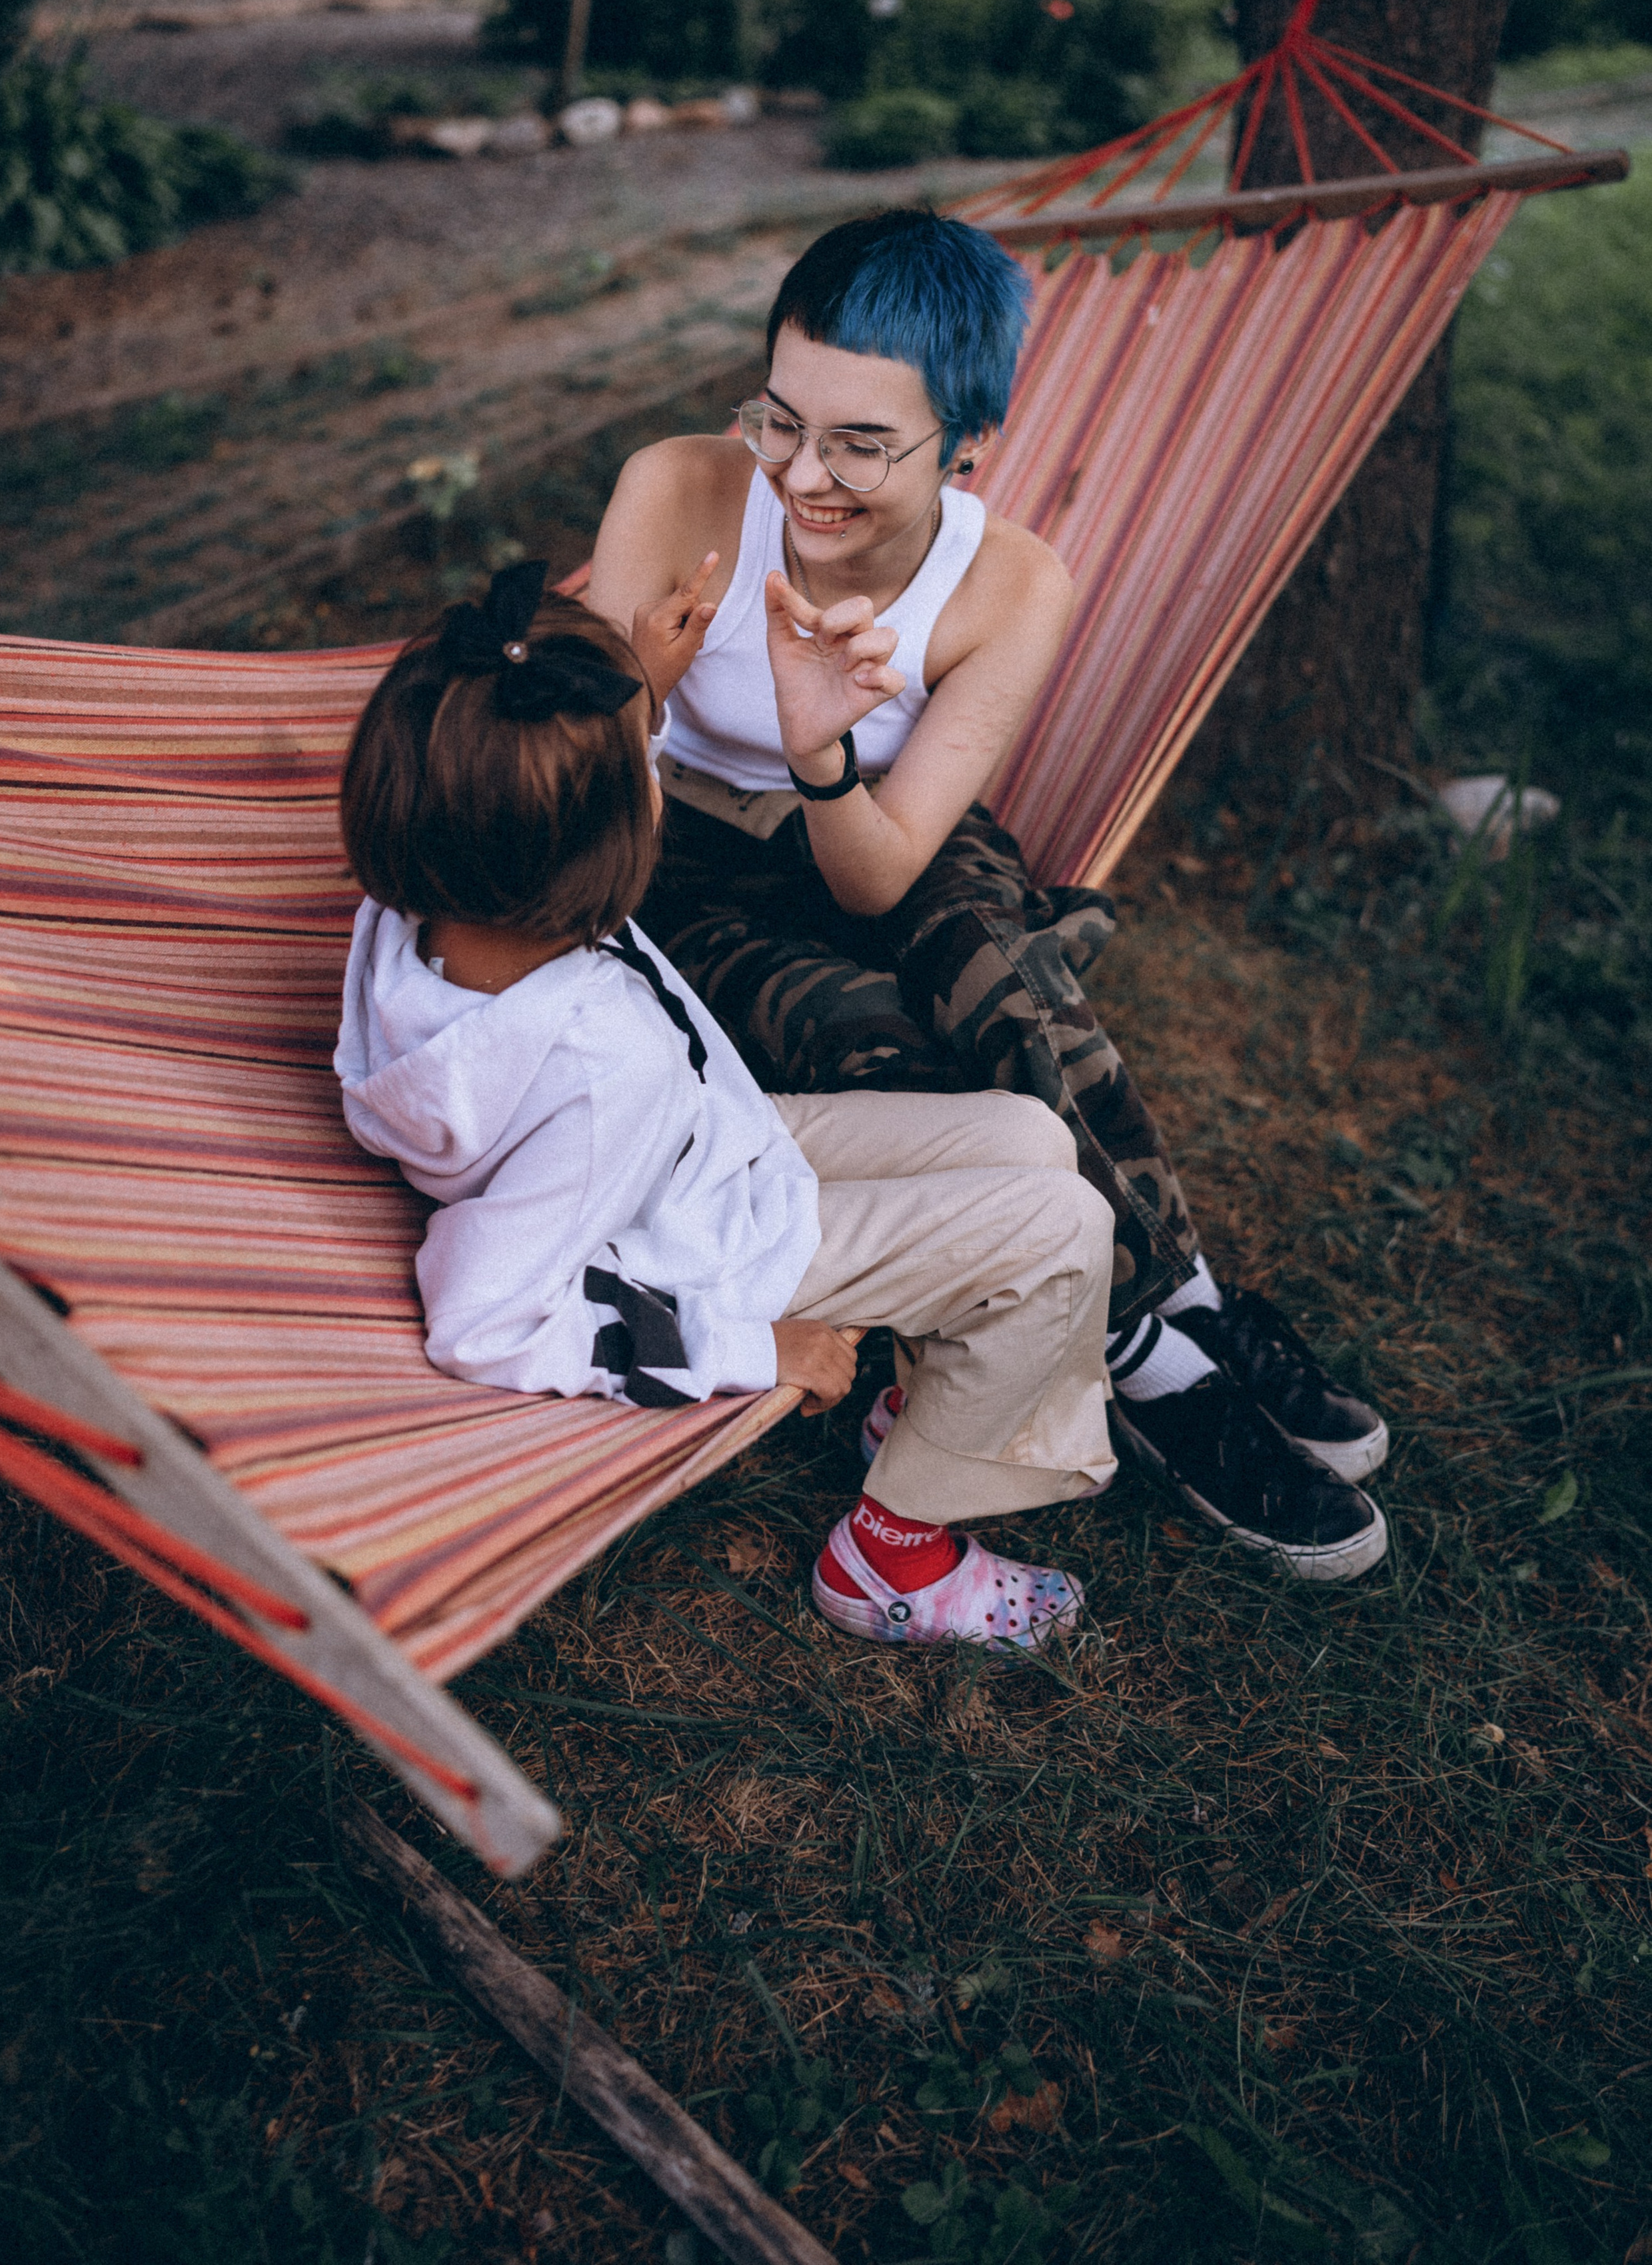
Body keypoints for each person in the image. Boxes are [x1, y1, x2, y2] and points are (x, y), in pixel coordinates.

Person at [588, 206, 1389, 1584]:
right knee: (889, 1056)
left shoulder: (1009, 581)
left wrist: (819, 750)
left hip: (881, 823)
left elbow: (880, 869)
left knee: (1000, 978)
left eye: (859, 446)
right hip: (681, 851)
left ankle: (1160, 1318)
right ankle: (1160, 1339)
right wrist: (663, 702)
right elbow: (575, 770)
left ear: (966, 446)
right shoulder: (679, 488)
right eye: (780, 421)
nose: (801, 477)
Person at [333, 559, 1131, 1655]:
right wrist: (753, 1344)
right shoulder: (600, 1062)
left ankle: (941, 1404)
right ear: (606, 852)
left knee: (1033, 1138)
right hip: (705, 1248)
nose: (657, 782)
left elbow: (525, 802)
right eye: (645, 776)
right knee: (1067, 1235)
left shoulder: (434, 900)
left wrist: (635, 694)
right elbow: (484, 1317)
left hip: (705, 1150)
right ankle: (893, 1551)